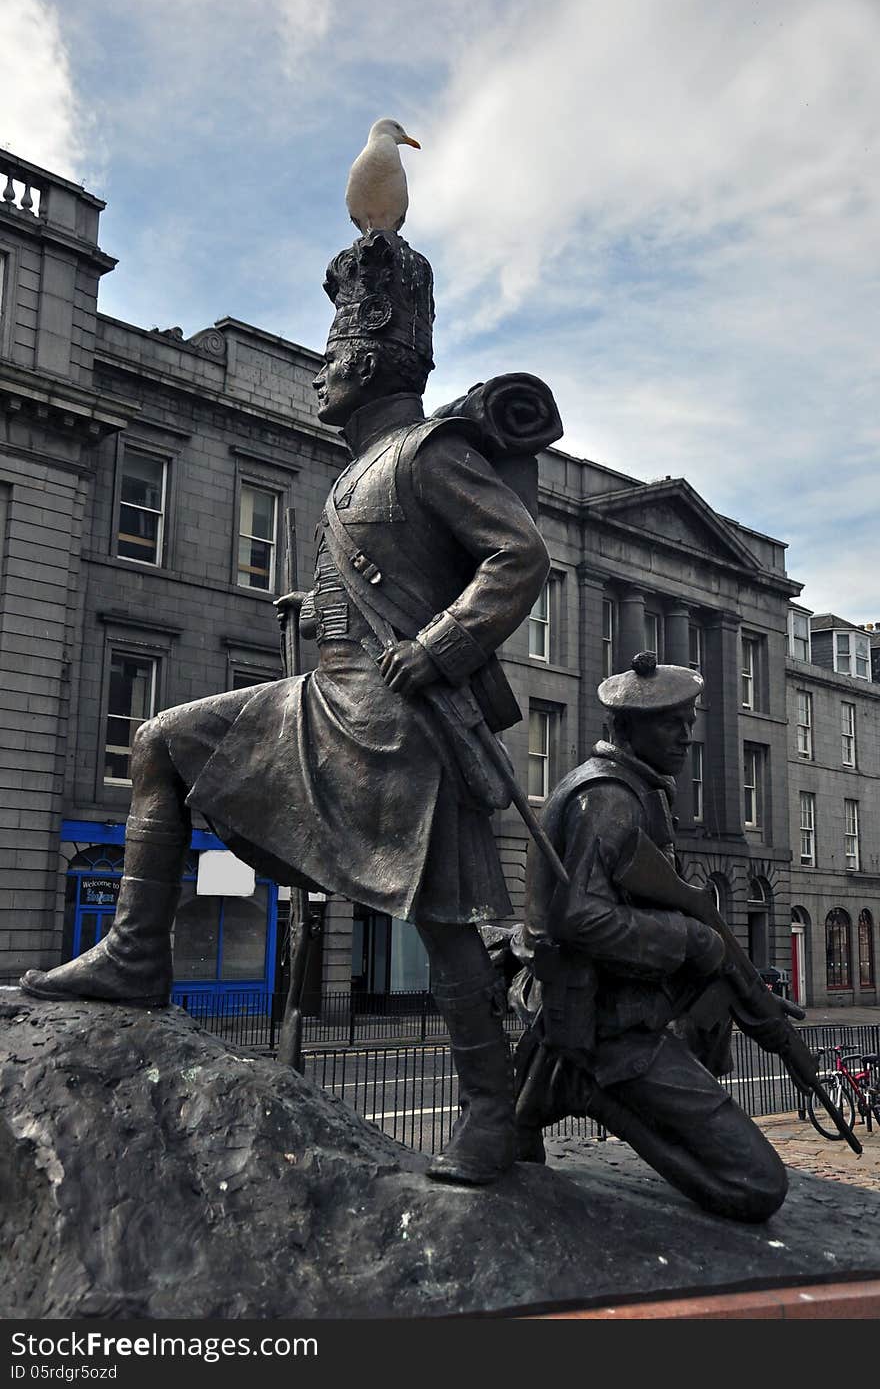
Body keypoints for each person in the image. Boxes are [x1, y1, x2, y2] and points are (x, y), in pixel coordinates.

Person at [21, 229, 550, 1187]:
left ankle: (488, 1111)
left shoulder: (428, 454)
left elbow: (518, 556)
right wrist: (318, 608)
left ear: (369, 359)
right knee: (161, 741)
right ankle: (138, 955)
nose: (317, 375)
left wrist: (441, 647)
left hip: (401, 713)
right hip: (330, 696)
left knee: (442, 923)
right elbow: (394, 574)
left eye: (330, 356)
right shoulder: (354, 470)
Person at [511, 652, 789, 1221]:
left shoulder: (637, 791)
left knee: (713, 1020)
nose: (686, 736)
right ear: (626, 728)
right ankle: (587, 1090)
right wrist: (686, 938)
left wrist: (747, 988)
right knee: (756, 1186)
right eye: (671, 723)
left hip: (629, 1010)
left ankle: (560, 1082)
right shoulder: (610, 799)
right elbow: (580, 918)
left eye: (688, 721)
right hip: (616, 1029)